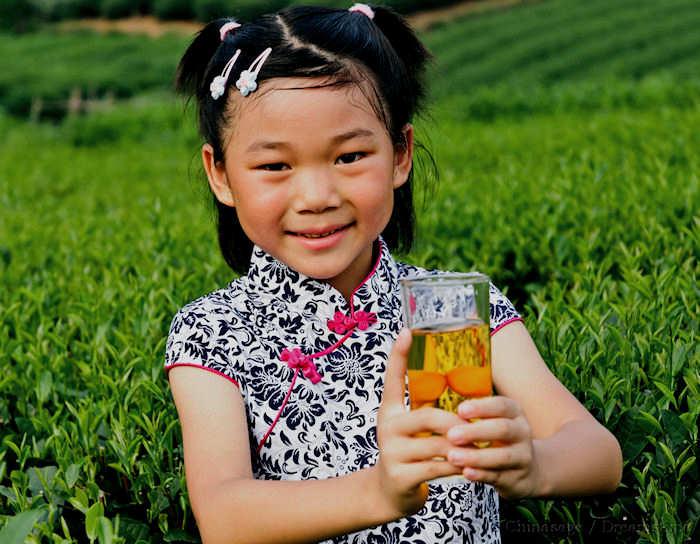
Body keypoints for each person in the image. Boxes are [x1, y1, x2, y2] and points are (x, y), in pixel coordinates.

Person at [164, 4, 623, 543]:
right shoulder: (213, 332)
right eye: (275, 166)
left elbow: (598, 454)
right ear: (219, 173)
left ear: (400, 154)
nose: (317, 197)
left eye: (351, 156)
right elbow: (224, 516)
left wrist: (533, 466)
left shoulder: (450, 306)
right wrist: (379, 493)